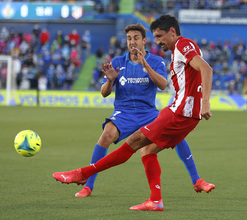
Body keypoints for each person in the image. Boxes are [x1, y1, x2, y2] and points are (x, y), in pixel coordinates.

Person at [53, 15, 215, 211]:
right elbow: (105, 92)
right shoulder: (122, 61)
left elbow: (203, 70)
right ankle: (155, 200)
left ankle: (82, 173)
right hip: (138, 113)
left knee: (133, 143)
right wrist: (111, 80)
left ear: (171, 32)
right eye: (129, 38)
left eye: (159, 36)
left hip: (169, 112)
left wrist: (205, 102)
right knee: (145, 150)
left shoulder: (177, 48)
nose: (158, 41)